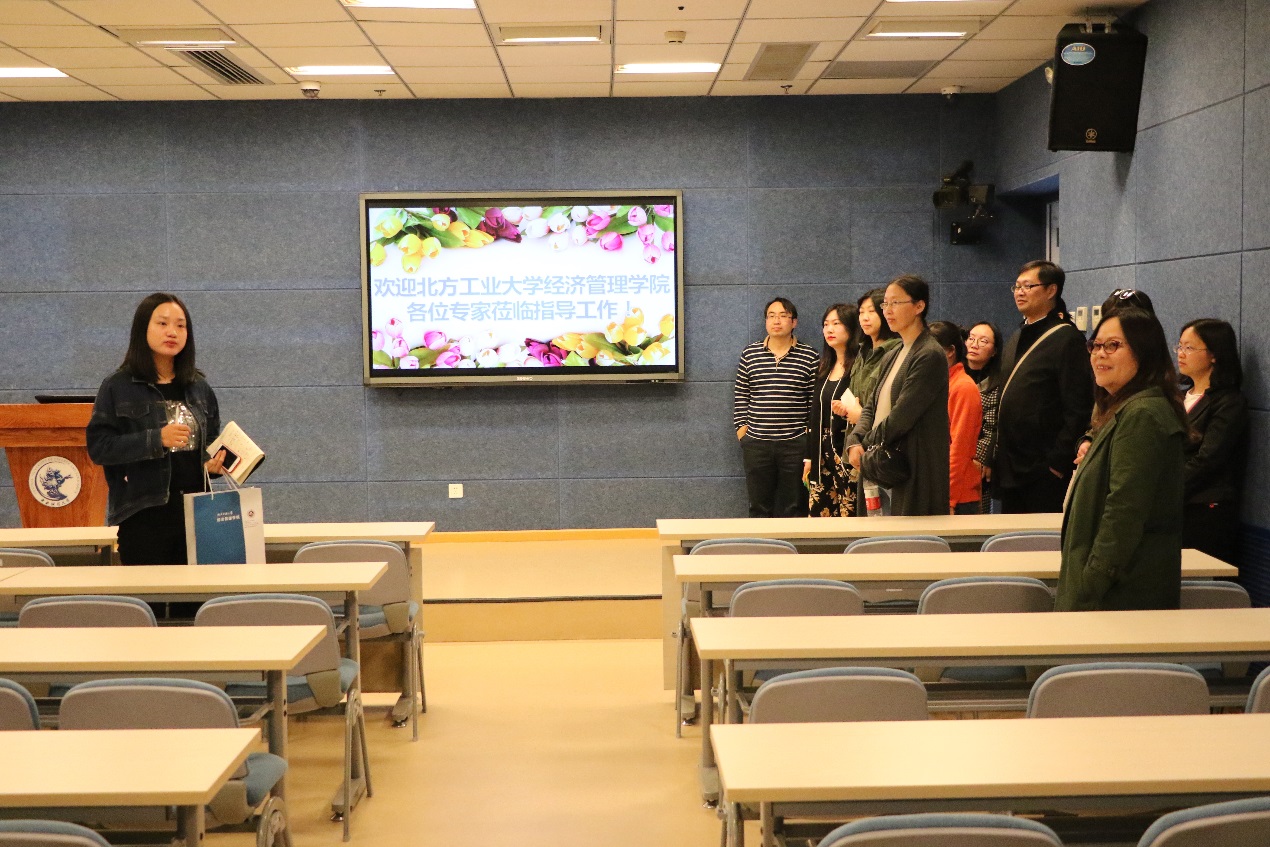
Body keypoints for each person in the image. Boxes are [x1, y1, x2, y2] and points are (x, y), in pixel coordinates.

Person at [1056, 308, 1187, 611]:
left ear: (1144, 353)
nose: (1099, 354)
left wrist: (1091, 582)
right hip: (1112, 588)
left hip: (1118, 595)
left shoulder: (1142, 415)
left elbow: (1124, 511)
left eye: (1113, 345)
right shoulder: (1124, 408)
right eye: (1095, 345)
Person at [87, 293, 226, 566]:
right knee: (149, 592)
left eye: (180, 325)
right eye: (162, 323)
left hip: (198, 516)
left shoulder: (199, 387)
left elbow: (209, 442)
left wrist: (212, 465)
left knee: (199, 593)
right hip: (144, 517)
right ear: (143, 329)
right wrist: (156, 439)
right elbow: (99, 447)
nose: (172, 332)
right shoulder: (118, 386)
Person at [992, 260, 1093, 514]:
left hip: (1043, 471)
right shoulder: (1018, 334)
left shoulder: (1066, 338)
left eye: (1028, 286)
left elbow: (1078, 407)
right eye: (1017, 287)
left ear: (1051, 290)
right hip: (1010, 465)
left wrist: (1057, 463)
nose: (1019, 292)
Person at [845, 275, 949, 516]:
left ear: (919, 306)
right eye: (885, 304)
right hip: (879, 461)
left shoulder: (929, 354)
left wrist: (865, 444)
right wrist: (855, 440)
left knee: (907, 535)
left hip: (909, 462)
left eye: (895, 303)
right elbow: (871, 407)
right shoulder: (893, 354)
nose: (888, 310)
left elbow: (902, 416)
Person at [733, 297, 818, 518]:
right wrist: (742, 431)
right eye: (771, 316)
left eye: (783, 316)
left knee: (795, 507)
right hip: (757, 443)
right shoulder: (750, 354)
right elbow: (741, 395)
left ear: (794, 322)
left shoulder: (810, 356)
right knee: (758, 507)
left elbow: (814, 402)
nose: (776, 321)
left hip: (795, 444)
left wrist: (807, 438)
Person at [1177, 318, 1248, 566]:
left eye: (1189, 348)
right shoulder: (1176, 397)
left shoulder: (1229, 402)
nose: (1181, 353)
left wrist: (1165, 487)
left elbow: (1208, 459)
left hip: (1205, 510)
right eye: (1179, 346)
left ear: (1214, 355)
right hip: (1172, 506)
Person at [839, 288, 900, 515]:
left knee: (885, 514)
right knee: (866, 516)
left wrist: (860, 414)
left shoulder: (895, 350)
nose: (864, 317)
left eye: (871, 311)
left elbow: (891, 405)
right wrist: (846, 409)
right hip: (859, 444)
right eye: (861, 312)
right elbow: (857, 394)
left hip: (882, 449)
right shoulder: (863, 350)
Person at [806, 303, 861, 517]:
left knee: (849, 516)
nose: (829, 329)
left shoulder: (859, 365)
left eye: (836, 324)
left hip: (846, 451)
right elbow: (814, 414)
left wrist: (848, 411)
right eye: (826, 324)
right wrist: (809, 457)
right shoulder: (824, 366)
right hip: (822, 455)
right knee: (820, 517)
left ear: (851, 327)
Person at [930, 321, 982, 515]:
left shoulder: (963, 387)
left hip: (958, 496)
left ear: (950, 351)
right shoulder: (941, 383)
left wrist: (948, 498)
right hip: (940, 489)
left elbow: (959, 448)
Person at [965, 321, 1002, 513]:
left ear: (994, 351)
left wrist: (977, 458)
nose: (974, 344)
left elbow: (992, 426)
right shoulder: (954, 375)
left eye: (983, 341)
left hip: (978, 460)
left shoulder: (998, 383)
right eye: (971, 338)